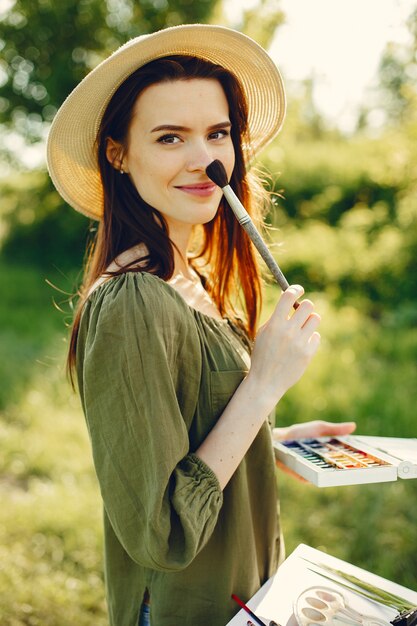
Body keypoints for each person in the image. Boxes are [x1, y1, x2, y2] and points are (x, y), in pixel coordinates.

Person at [47, 23, 356, 626]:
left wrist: (275, 437)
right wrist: (263, 385)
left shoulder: (188, 274)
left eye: (217, 134)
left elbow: (189, 434)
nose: (205, 160)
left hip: (247, 596)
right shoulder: (137, 300)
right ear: (118, 153)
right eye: (170, 138)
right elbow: (160, 534)